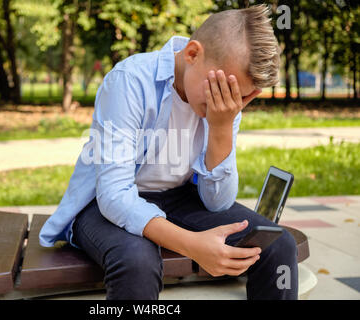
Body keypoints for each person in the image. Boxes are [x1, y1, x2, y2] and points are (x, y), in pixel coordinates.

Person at [39, 4, 298, 300]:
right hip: (103, 202)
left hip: (176, 197)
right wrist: (192, 244)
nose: (225, 102)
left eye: (238, 98)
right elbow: (114, 195)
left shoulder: (227, 105)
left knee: (278, 244)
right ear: (192, 54)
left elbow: (218, 203)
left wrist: (222, 128)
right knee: (137, 261)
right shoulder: (129, 81)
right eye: (218, 90)